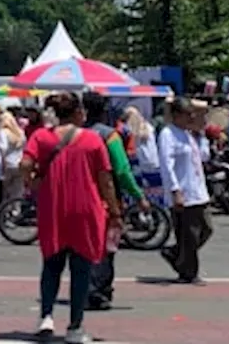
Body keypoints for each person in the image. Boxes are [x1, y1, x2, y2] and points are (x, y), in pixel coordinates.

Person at [20, 92, 119, 344]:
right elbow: (105, 180)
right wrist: (115, 210)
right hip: (86, 208)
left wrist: (30, 183)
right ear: (78, 113)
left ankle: (46, 317)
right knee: (81, 270)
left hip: (53, 208)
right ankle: (75, 326)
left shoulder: (41, 136)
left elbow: (24, 164)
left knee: (51, 266)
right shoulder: (93, 140)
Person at [82, 92, 147, 311]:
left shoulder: (75, 134)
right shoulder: (110, 136)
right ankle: (98, 292)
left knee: (83, 247)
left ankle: (83, 288)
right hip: (105, 199)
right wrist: (138, 196)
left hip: (77, 197)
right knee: (105, 247)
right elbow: (121, 171)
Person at [157, 97, 212, 284]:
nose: (191, 118)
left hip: (197, 189)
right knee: (189, 233)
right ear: (176, 115)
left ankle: (176, 254)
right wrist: (175, 190)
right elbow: (166, 164)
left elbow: (204, 156)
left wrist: (201, 135)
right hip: (183, 191)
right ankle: (188, 272)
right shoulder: (168, 134)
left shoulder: (189, 134)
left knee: (206, 229)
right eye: (188, 115)